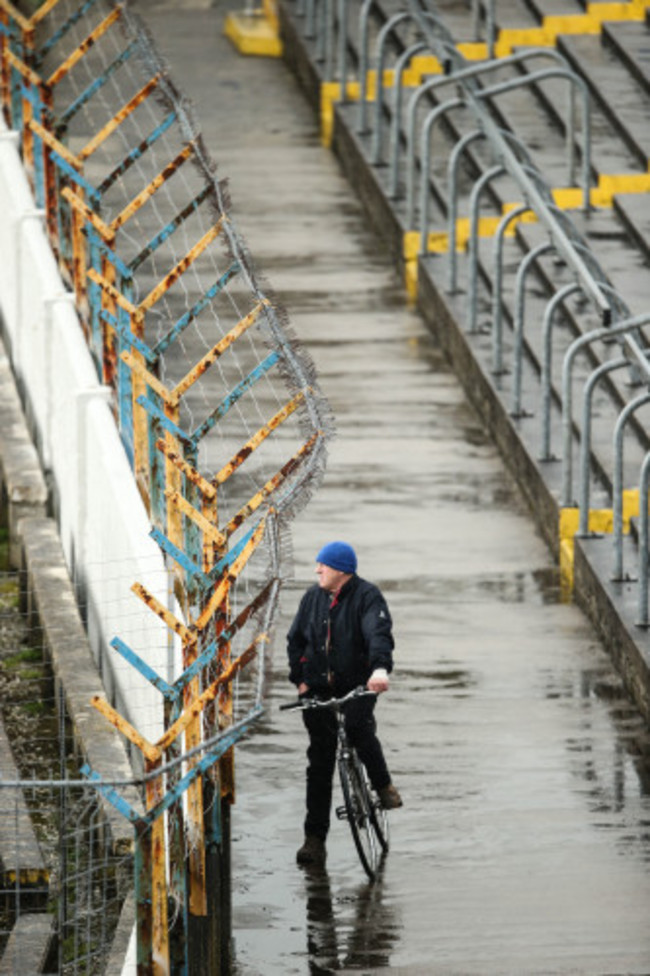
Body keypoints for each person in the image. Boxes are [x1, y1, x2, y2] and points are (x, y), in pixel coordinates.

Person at [287, 540, 402, 867]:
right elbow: (295, 641)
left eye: (322, 565)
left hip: (358, 685)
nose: (317, 569)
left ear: (340, 570)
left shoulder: (367, 597)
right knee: (320, 762)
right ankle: (314, 840)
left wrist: (379, 669)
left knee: (357, 728)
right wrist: (301, 680)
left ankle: (382, 787)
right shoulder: (312, 598)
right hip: (317, 690)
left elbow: (378, 633)